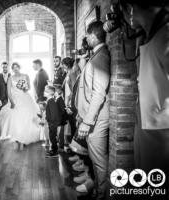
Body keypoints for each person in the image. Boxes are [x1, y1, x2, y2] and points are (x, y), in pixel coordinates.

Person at [121, 0, 169, 188]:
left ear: (130, 9)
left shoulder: (165, 35)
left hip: (162, 132)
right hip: (149, 126)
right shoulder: (151, 33)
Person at [75, 21, 110, 199]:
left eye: (88, 35)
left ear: (94, 36)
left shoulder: (101, 56)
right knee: (95, 159)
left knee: (99, 160)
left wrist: (88, 121)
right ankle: (97, 187)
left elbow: (99, 93)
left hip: (96, 119)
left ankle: (102, 193)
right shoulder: (96, 55)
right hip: (91, 118)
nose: (86, 38)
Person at [0, 62, 41, 149]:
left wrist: (25, 87)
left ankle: (25, 136)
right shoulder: (10, 78)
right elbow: (8, 91)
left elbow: (29, 88)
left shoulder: (26, 76)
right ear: (12, 69)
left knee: (26, 117)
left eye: (17, 67)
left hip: (25, 98)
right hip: (15, 99)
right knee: (15, 118)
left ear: (19, 67)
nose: (15, 69)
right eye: (13, 68)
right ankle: (17, 136)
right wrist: (12, 102)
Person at [44, 85, 62, 157]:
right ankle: (53, 149)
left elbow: (54, 113)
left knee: (52, 137)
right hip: (51, 122)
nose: (44, 92)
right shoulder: (50, 100)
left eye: (46, 91)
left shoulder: (51, 101)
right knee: (52, 136)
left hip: (52, 123)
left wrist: (52, 123)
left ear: (50, 92)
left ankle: (54, 151)